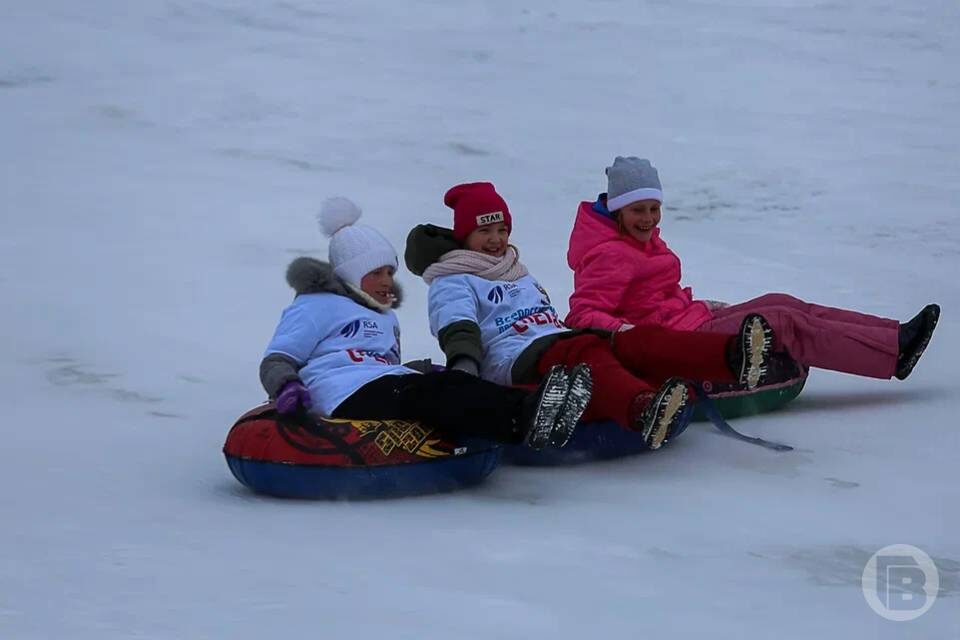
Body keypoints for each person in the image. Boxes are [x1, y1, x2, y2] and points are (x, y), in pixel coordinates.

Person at [405, 182, 776, 451]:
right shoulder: (453, 278)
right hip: (513, 358)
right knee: (588, 351)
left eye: (501, 230)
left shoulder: (514, 268)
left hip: (553, 340)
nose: (496, 240)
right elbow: (457, 324)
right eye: (484, 231)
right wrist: (465, 367)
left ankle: (733, 357)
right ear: (465, 235)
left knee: (636, 340)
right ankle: (643, 409)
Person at [258, 197, 593, 451]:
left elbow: (379, 364)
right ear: (349, 276)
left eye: (389, 272)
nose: (387, 281)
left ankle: (538, 409)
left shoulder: (383, 317)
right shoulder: (316, 305)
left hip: (377, 383)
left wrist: (419, 368)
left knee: (445, 383)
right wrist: (287, 386)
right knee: (434, 392)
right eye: (375, 273)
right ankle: (525, 418)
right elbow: (277, 358)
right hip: (340, 390)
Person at [565, 157, 940, 381]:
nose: (648, 219)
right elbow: (582, 312)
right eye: (638, 210)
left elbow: (649, 293)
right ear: (617, 209)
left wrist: (693, 304)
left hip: (687, 319)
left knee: (784, 302)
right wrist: (630, 331)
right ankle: (892, 355)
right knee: (784, 321)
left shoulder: (638, 241)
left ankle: (895, 336)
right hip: (678, 338)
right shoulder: (610, 253)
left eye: (653, 208)